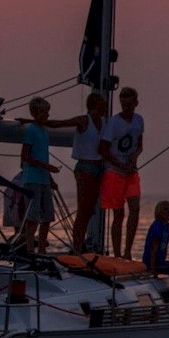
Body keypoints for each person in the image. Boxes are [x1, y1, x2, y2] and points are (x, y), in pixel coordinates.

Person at [45, 92, 107, 252]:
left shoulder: (104, 122)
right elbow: (60, 124)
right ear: (95, 104)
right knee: (83, 209)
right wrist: (36, 121)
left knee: (90, 209)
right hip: (84, 167)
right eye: (102, 103)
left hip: (98, 168)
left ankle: (83, 242)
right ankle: (77, 246)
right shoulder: (84, 120)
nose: (105, 106)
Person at [99, 86, 144, 260]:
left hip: (131, 172)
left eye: (129, 104)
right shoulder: (114, 123)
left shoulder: (139, 120)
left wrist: (135, 156)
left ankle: (127, 252)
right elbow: (103, 149)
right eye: (123, 104)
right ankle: (117, 253)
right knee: (118, 213)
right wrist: (119, 164)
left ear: (135, 103)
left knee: (135, 209)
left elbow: (140, 143)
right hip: (115, 172)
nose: (126, 108)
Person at [19, 97, 59, 254]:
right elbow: (25, 156)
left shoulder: (43, 131)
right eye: (44, 112)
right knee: (33, 217)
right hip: (32, 179)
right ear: (36, 113)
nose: (47, 115)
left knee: (48, 216)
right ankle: (30, 249)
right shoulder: (31, 130)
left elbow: (43, 156)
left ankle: (42, 249)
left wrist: (50, 178)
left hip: (44, 180)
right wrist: (47, 167)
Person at [142, 200, 169, 274]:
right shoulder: (157, 226)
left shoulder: (167, 226)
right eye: (165, 209)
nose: (168, 211)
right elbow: (154, 247)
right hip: (151, 263)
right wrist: (153, 268)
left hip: (160, 262)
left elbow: (164, 246)